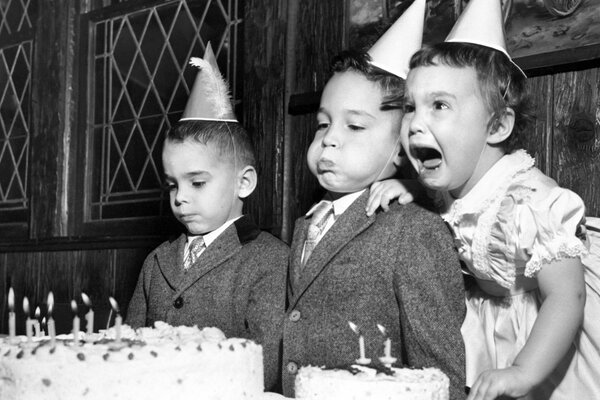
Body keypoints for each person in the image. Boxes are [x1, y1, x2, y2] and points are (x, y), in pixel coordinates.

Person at [366, 1, 600, 399]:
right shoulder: (446, 181)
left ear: (497, 126)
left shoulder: (531, 203)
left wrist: (524, 372)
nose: (415, 123)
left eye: (439, 105)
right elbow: (451, 202)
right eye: (410, 107)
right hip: (493, 316)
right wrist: (413, 186)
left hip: (556, 317)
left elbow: (567, 296)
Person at [282, 2, 466, 398]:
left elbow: (437, 367)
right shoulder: (307, 222)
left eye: (354, 125)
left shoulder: (413, 229)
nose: (329, 137)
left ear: (402, 147)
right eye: (323, 123)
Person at [125, 44, 289, 392]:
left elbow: (264, 366)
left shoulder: (270, 261)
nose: (180, 196)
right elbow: (127, 350)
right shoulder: (157, 262)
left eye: (197, 182)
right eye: (172, 184)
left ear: (243, 183)